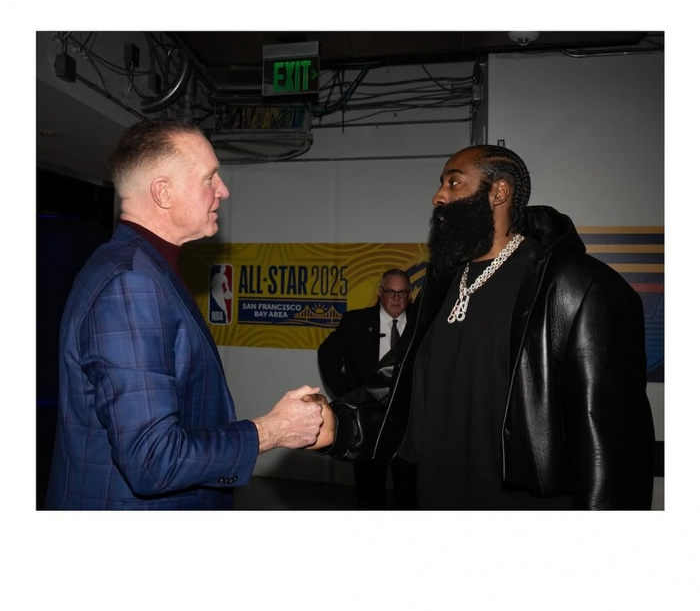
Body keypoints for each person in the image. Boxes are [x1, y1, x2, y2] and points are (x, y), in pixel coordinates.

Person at [317, 144, 656, 510]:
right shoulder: (440, 288)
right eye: (441, 184)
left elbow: (614, 446)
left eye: (454, 182)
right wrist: (334, 424)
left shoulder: (577, 286)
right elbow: (398, 389)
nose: (438, 196)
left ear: (499, 192)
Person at [44, 119, 328, 510]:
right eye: (209, 177)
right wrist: (273, 430)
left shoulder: (143, 268)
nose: (223, 190)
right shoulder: (130, 284)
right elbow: (152, 461)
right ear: (163, 193)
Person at [317, 270, 417, 509]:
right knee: (369, 492)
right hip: (369, 419)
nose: (396, 298)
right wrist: (349, 395)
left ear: (410, 295)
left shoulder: (419, 324)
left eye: (402, 293)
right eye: (391, 292)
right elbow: (327, 355)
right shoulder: (356, 322)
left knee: (409, 491)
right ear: (381, 293)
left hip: (408, 420)